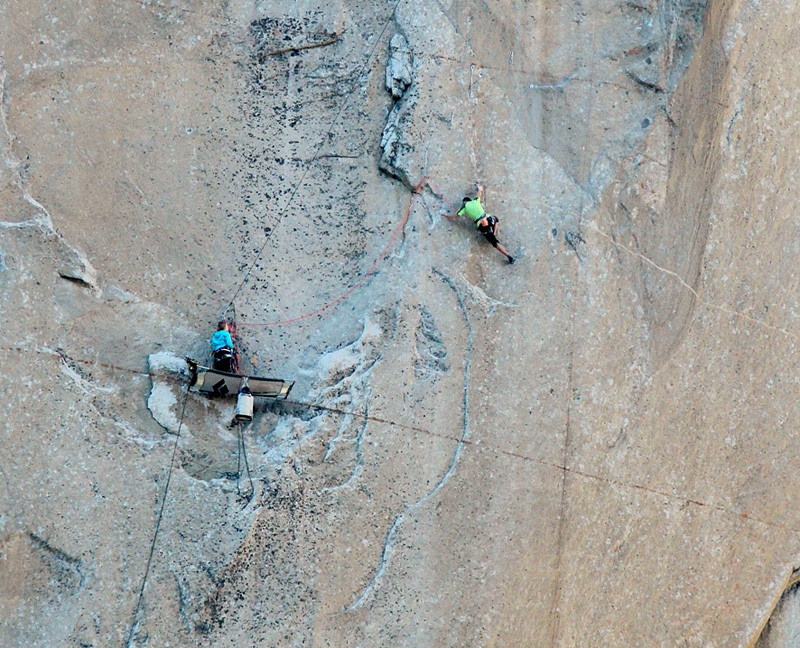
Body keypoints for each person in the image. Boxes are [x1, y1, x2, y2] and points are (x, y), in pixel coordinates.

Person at [450, 184, 514, 264]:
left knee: (494, 243)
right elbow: (480, 191)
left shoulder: (465, 207)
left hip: (481, 224)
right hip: (488, 218)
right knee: (496, 219)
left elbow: (455, 216)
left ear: (464, 202)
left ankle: (508, 256)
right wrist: (478, 186)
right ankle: (494, 232)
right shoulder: (475, 200)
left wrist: (444, 214)